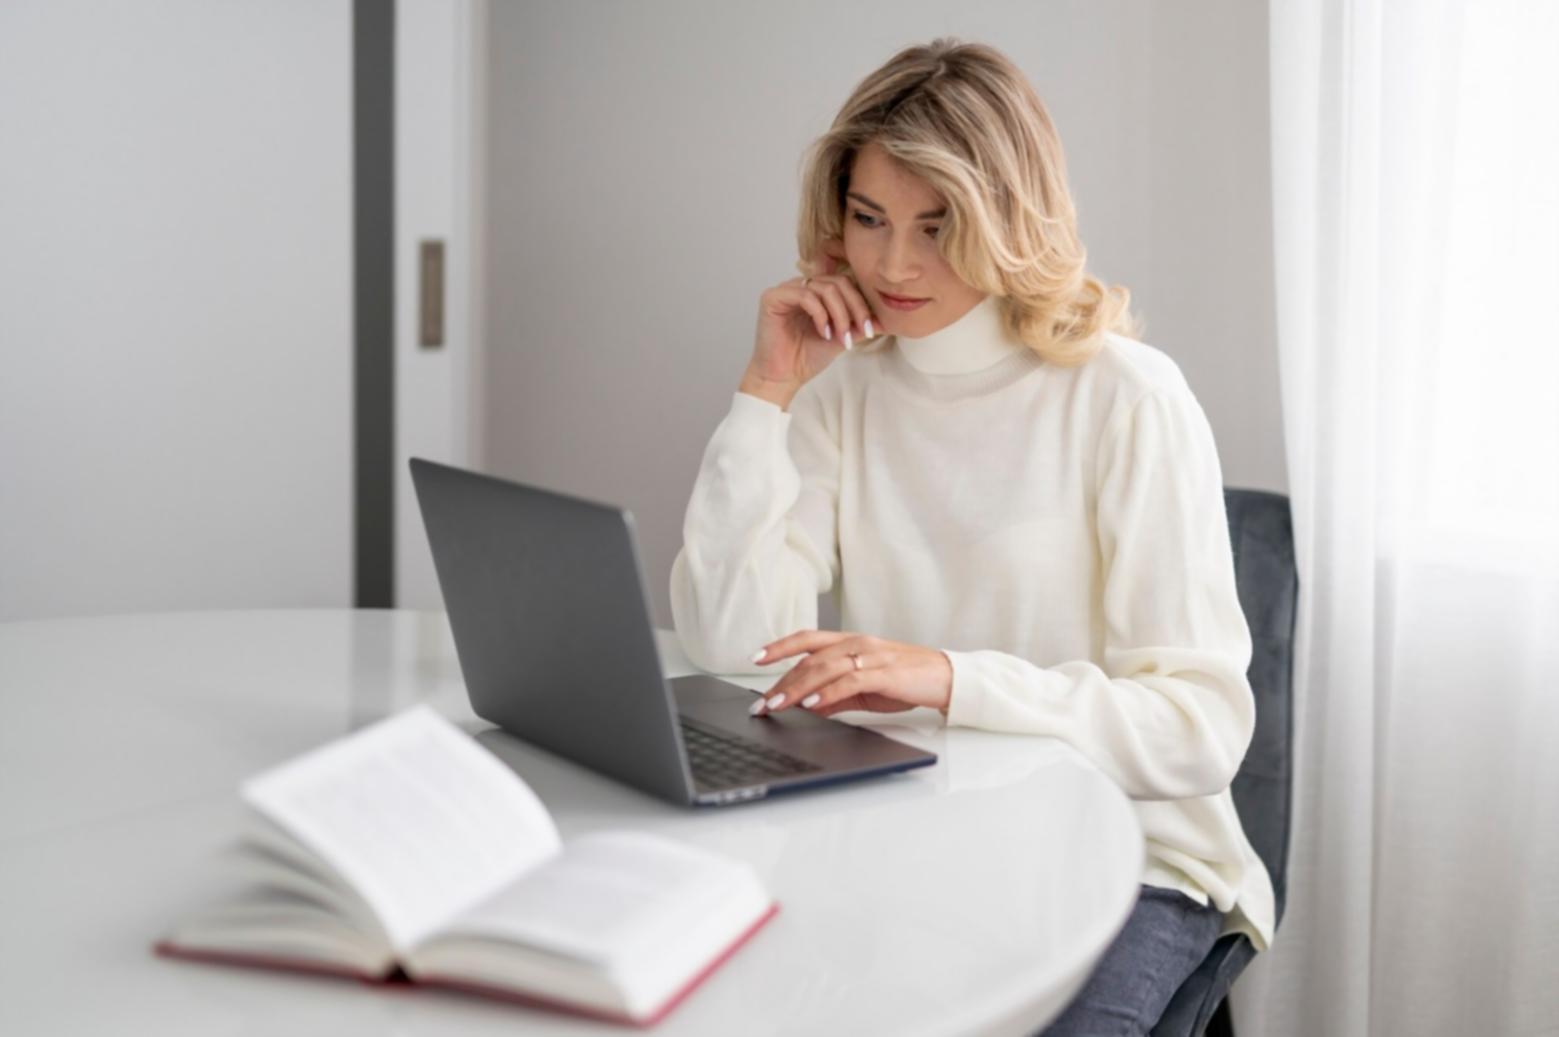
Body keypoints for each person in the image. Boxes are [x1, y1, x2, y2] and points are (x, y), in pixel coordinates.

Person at [669, 37, 1274, 1036]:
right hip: (921, 832)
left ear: (1006, 218)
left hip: (1134, 854)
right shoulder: (843, 390)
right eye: (868, 218)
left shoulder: (1127, 396)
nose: (892, 264)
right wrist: (766, 390)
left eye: (936, 225)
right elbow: (730, 640)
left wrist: (949, 679)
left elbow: (1198, 726)